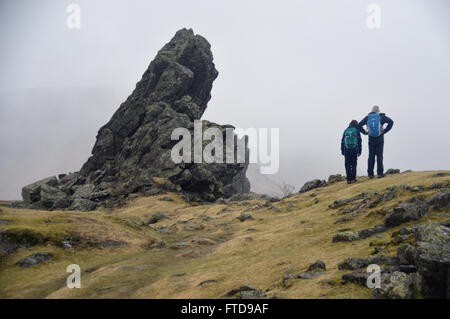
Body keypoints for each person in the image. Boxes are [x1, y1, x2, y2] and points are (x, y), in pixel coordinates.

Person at [358, 105, 394, 179]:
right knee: (379, 156)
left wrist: (365, 132)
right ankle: (380, 174)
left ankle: (370, 174)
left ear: (372, 110)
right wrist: (385, 131)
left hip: (371, 138)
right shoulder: (381, 117)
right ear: (378, 111)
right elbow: (391, 122)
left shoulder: (368, 117)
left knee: (371, 156)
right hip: (380, 138)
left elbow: (359, 125)